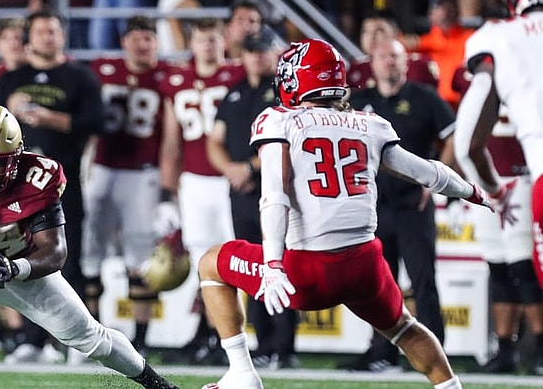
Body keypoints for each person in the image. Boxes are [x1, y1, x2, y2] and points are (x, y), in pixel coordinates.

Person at [196, 38, 493, 389]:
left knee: (211, 264)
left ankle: (242, 375)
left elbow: (274, 195)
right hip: (365, 265)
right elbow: (428, 172)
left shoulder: (279, 120)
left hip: (306, 269)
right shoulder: (370, 124)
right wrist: (473, 191)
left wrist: (274, 263)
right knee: (406, 329)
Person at [0, 104, 179, 389]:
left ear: (16, 157)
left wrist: (17, 268)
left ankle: (158, 385)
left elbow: (54, 251)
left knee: (92, 339)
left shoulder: (38, 178)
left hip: (23, 272)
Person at [0, 8, 104, 361]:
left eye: (53, 31)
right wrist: (8, 110)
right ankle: (32, 339)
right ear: (30, 37)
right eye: (41, 31)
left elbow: (96, 121)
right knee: (21, 258)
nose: (47, 37)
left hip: (60, 182)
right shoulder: (11, 79)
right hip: (16, 184)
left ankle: (77, 342)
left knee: (66, 259)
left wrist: (47, 117)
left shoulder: (79, 77)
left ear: (62, 36)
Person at [453, 0, 543, 373]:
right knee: (506, 267)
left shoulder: (499, 39)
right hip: (520, 176)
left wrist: (488, 187)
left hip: (529, 177)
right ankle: (511, 351)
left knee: (524, 269)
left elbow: (468, 141)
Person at [344, 37, 456, 372]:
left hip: (413, 207)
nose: (389, 63)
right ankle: (381, 351)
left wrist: (436, 179)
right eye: (383, 57)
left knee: (423, 280)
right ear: (372, 63)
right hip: (372, 207)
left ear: (406, 61)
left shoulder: (424, 98)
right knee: (380, 284)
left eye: (395, 56)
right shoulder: (358, 101)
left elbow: (452, 136)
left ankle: (434, 350)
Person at [205, 25, 299, 369]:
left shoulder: (285, 95)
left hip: (276, 191)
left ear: (275, 54)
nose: (257, 56)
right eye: (251, 50)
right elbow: (214, 140)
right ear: (242, 55)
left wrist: (248, 167)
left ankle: (285, 347)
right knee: (252, 266)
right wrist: (231, 169)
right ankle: (262, 342)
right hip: (242, 193)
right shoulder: (233, 94)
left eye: (263, 50)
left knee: (280, 265)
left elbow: (288, 144)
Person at [81, 16, 171, 356]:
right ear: (124, 42)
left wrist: (166, 188)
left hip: (143, 173)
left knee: (141, 256)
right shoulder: (100, 69)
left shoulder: (167, 77)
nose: (142, 44)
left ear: (157, 43)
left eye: (148, 37)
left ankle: (142, 339)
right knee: (91, 251)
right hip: (102, 168)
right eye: (135, 37)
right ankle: (88, 333)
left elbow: (172, 138)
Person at [157, 17, 245, 364]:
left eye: (213, 39)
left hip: (230, 180)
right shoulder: (177, 81)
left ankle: (224, 338)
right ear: (191, 43)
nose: (207, 46)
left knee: (233, 261)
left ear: (224, 41)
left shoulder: (238, 75)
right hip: (193, 182)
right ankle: (210, 335)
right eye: (201, 40)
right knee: (201, 263)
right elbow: (171, 142)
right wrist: (168, 193)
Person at [404, 0, 474, 111]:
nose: (446, 11)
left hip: (465, 105)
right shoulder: (420, 45)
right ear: (430, 14)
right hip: (432, 107)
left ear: (457, 11)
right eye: (440, 7)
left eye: (450, 6)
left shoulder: (471, 38)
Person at [346, 9, 439, 91]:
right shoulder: (356, 67)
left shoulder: (418, 66)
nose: (371, 37)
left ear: (396, 35)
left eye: (379, 31)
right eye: (366, 31)